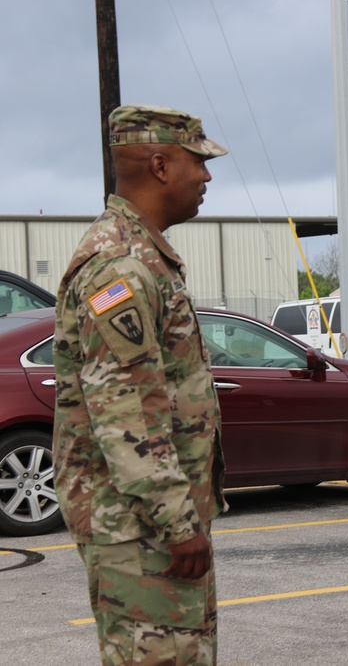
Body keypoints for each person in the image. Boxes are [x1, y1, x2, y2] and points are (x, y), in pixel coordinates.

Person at [53, 104, 229, 666]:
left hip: (145, 524)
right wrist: (179, 524)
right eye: (197, 162)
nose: (206, 176)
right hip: (142, 529)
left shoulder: (142, 255)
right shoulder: (122, 267)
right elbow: (128, 413)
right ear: (160, 165)